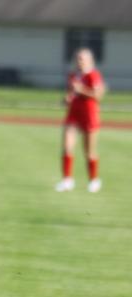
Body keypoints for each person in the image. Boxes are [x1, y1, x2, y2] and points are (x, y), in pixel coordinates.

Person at [56, 48, 106, 193]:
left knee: (89, 151)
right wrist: (66, 99)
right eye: (77, 58)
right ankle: (67, 180)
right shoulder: (73, 76)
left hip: (89, 115)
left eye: (82, 59)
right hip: (73, 114)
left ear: (90, 60)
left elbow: (98, 96)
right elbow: (71, 94)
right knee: (67, 146)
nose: (79, 61)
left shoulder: (94, 75)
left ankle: (94, 180)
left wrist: (81, 89)